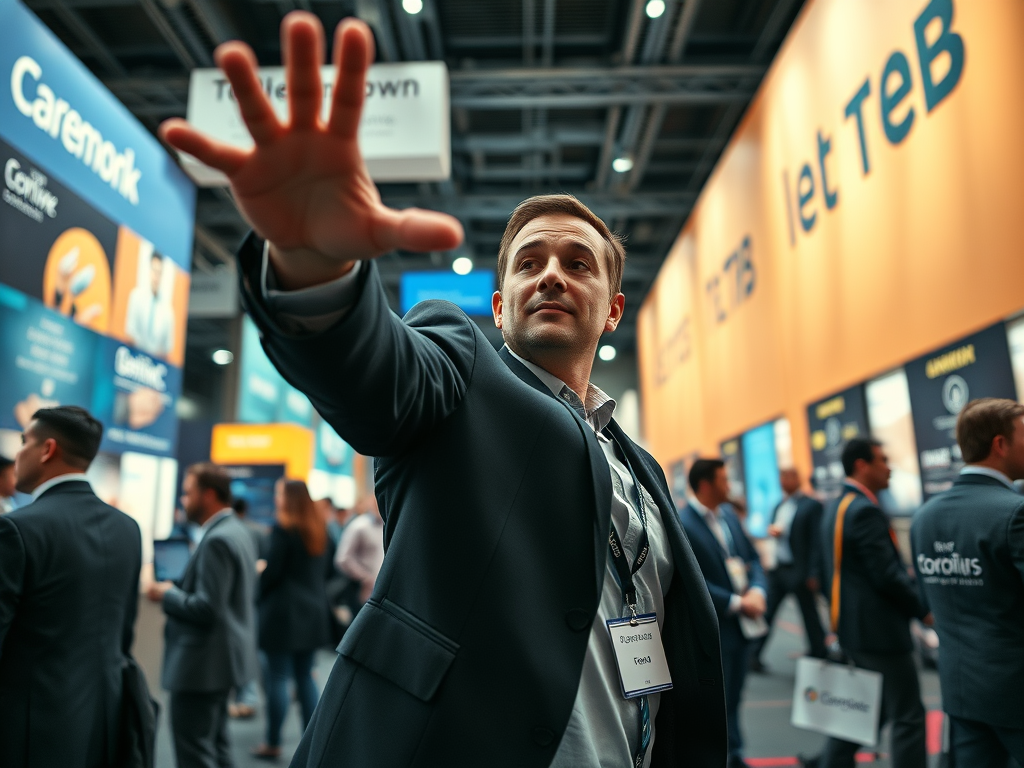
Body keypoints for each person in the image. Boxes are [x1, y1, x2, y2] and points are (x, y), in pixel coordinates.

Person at [158, 12, 726, 767]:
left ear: (613, 310)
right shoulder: (460, 366)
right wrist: (314, 264)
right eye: (529, 263)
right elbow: (374, 378)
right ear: (498, 306)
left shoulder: (642, 469)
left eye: (579, 264)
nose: (551, 273)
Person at [0, 406, 142, 767]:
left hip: (32, 728)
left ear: (47, 449)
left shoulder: (17, 529)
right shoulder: (128, 529)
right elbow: (123, 634)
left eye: (23, 442)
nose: (18, 454)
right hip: (106, 717)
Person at [911, 398, 1024, 767]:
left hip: (960, 687)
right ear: (1000, 444)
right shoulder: (1013, 512)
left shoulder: (924, 518)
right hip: (1015, 689)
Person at [811, 438, 930, 768]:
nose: (889, 466)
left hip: (852, 627)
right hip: (880, 633)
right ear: (862, 465)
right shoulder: (864, 510)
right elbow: (887, 576)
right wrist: (924, 609)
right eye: (882, 459)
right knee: (908, 716)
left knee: (859, 713)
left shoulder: (837, 505)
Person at [147, 462, 259, 768]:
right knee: (216, 746)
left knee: (195, 752)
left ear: (208, 495)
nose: (184, 500)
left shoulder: (217, 540)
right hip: (221, 661)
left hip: (201, 665)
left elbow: (208, 608)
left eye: (188, 493)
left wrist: (166, 593)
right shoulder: (238, 530)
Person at [679, 459, 768, 768]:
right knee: (719, 700)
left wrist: (758, 590)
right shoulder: (683, 522)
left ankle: (736, 752)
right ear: (705, 484)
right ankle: (723, 757)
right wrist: (736, 602)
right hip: (717, 626)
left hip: (744, 625)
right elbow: (691, 580)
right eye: (723, 480)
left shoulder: (729, 516)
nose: (729, 486)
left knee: (736, 696)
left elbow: (753, 558)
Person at [253, 479, 331, 760]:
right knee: (305, 676)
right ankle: (314, 745)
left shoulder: (283, 529)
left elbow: (272, 574)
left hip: (283, 615)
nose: (276, 498)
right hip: (312, 614)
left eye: (278, 493)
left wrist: (258, 583)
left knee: (278, 677)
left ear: (288, 498)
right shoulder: (320, 530)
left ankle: (273, 743)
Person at [751, 467, 827, 671]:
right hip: (779, 568)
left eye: (790, 475)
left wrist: (813, 572)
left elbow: (816, 542)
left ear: (798, 478)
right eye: (783, 477)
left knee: (809, 613)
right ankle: (754, 655)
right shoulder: (779, 505)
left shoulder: (810, 505)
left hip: (799, 569)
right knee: (768, 613)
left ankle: (820, 652)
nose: (786, 480)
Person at [228, 496, 266, 720]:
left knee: (246, 646)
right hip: (254, 596)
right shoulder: (257, 531)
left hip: (241, 597)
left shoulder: (232, 534)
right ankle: (247, 697)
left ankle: (247, 697)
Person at [334, 494, 384, 608]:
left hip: (380, 591)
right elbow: (342, 559)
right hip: (361, 591)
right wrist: (364, 577)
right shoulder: (359, 526)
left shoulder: (385, 526)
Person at [126, 250, 174, 358]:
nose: (156, 277)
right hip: (133, 360)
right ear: (149, 270)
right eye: (154, 270)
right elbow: (129, 334)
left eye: (159, 273)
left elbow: (167, 349)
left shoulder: (167, 311)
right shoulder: (136, 296)